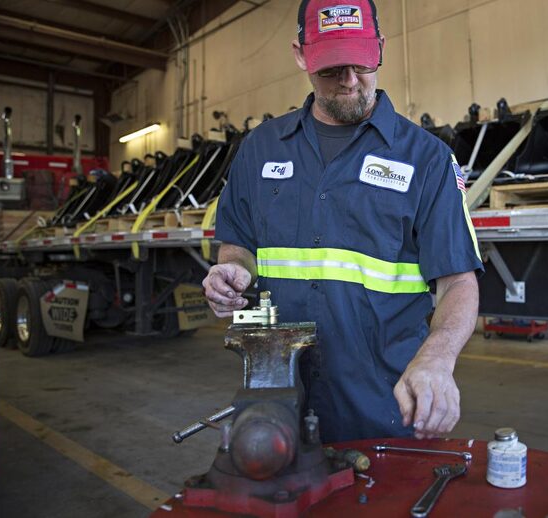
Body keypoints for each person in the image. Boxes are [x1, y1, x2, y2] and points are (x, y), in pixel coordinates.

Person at [203, 0, 483, 443]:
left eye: (361, 63)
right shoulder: (260, 150)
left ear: (381, 49)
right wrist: (233, 272)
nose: (350, 81)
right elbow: (238, 245)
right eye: (332, 69)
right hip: (276, 400)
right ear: (300, 56)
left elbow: (459, 284)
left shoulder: (426, 160)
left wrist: (437, 358)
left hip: (385, 403)